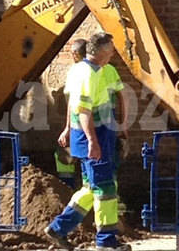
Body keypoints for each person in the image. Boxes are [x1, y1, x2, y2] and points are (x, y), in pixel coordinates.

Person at [45, 33, 130, 251]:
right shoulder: (89, 75)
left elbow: (75, 106)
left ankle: (58, 229)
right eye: (110, 49)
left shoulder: (83, 70)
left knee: (91, 188)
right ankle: (106, 242)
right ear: (101, 52)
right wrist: (93, 141)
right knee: (105, 189)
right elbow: (82, 111)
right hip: (94, 135)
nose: (112, 52)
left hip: (95, 134)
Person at [55, 38, 87, 189]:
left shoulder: (76, 72)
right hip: (96, 126)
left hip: (80, 125)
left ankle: (69, 192)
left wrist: (67, 128)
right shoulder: (102, 69)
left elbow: (72, 102)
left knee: (67, 159)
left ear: (75, 54)